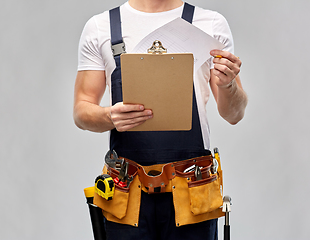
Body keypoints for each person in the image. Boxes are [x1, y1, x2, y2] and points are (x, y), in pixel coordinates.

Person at [74, 0, 248, 239]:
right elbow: (81, 112)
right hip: (127, 195)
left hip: (191, 192)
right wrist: (109, 116)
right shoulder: (101, 27)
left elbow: (234, 114)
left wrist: (228, 84)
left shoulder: (210, 25)